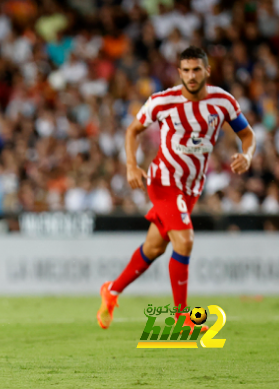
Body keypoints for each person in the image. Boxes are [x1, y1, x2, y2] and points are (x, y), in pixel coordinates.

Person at [97, 46, 256, 333]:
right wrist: (131, 165)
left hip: (192, 187)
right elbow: (132, 130)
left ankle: (112, 289)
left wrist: (248, 155)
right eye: (186, 70)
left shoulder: (223, 102)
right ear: (179, 72)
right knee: (184, 242)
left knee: (154, 247)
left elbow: (247, 134)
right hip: (163, 181)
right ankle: (182, 316)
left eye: (197, 69)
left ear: (207, 70)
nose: (191, 76)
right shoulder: (162, 101)